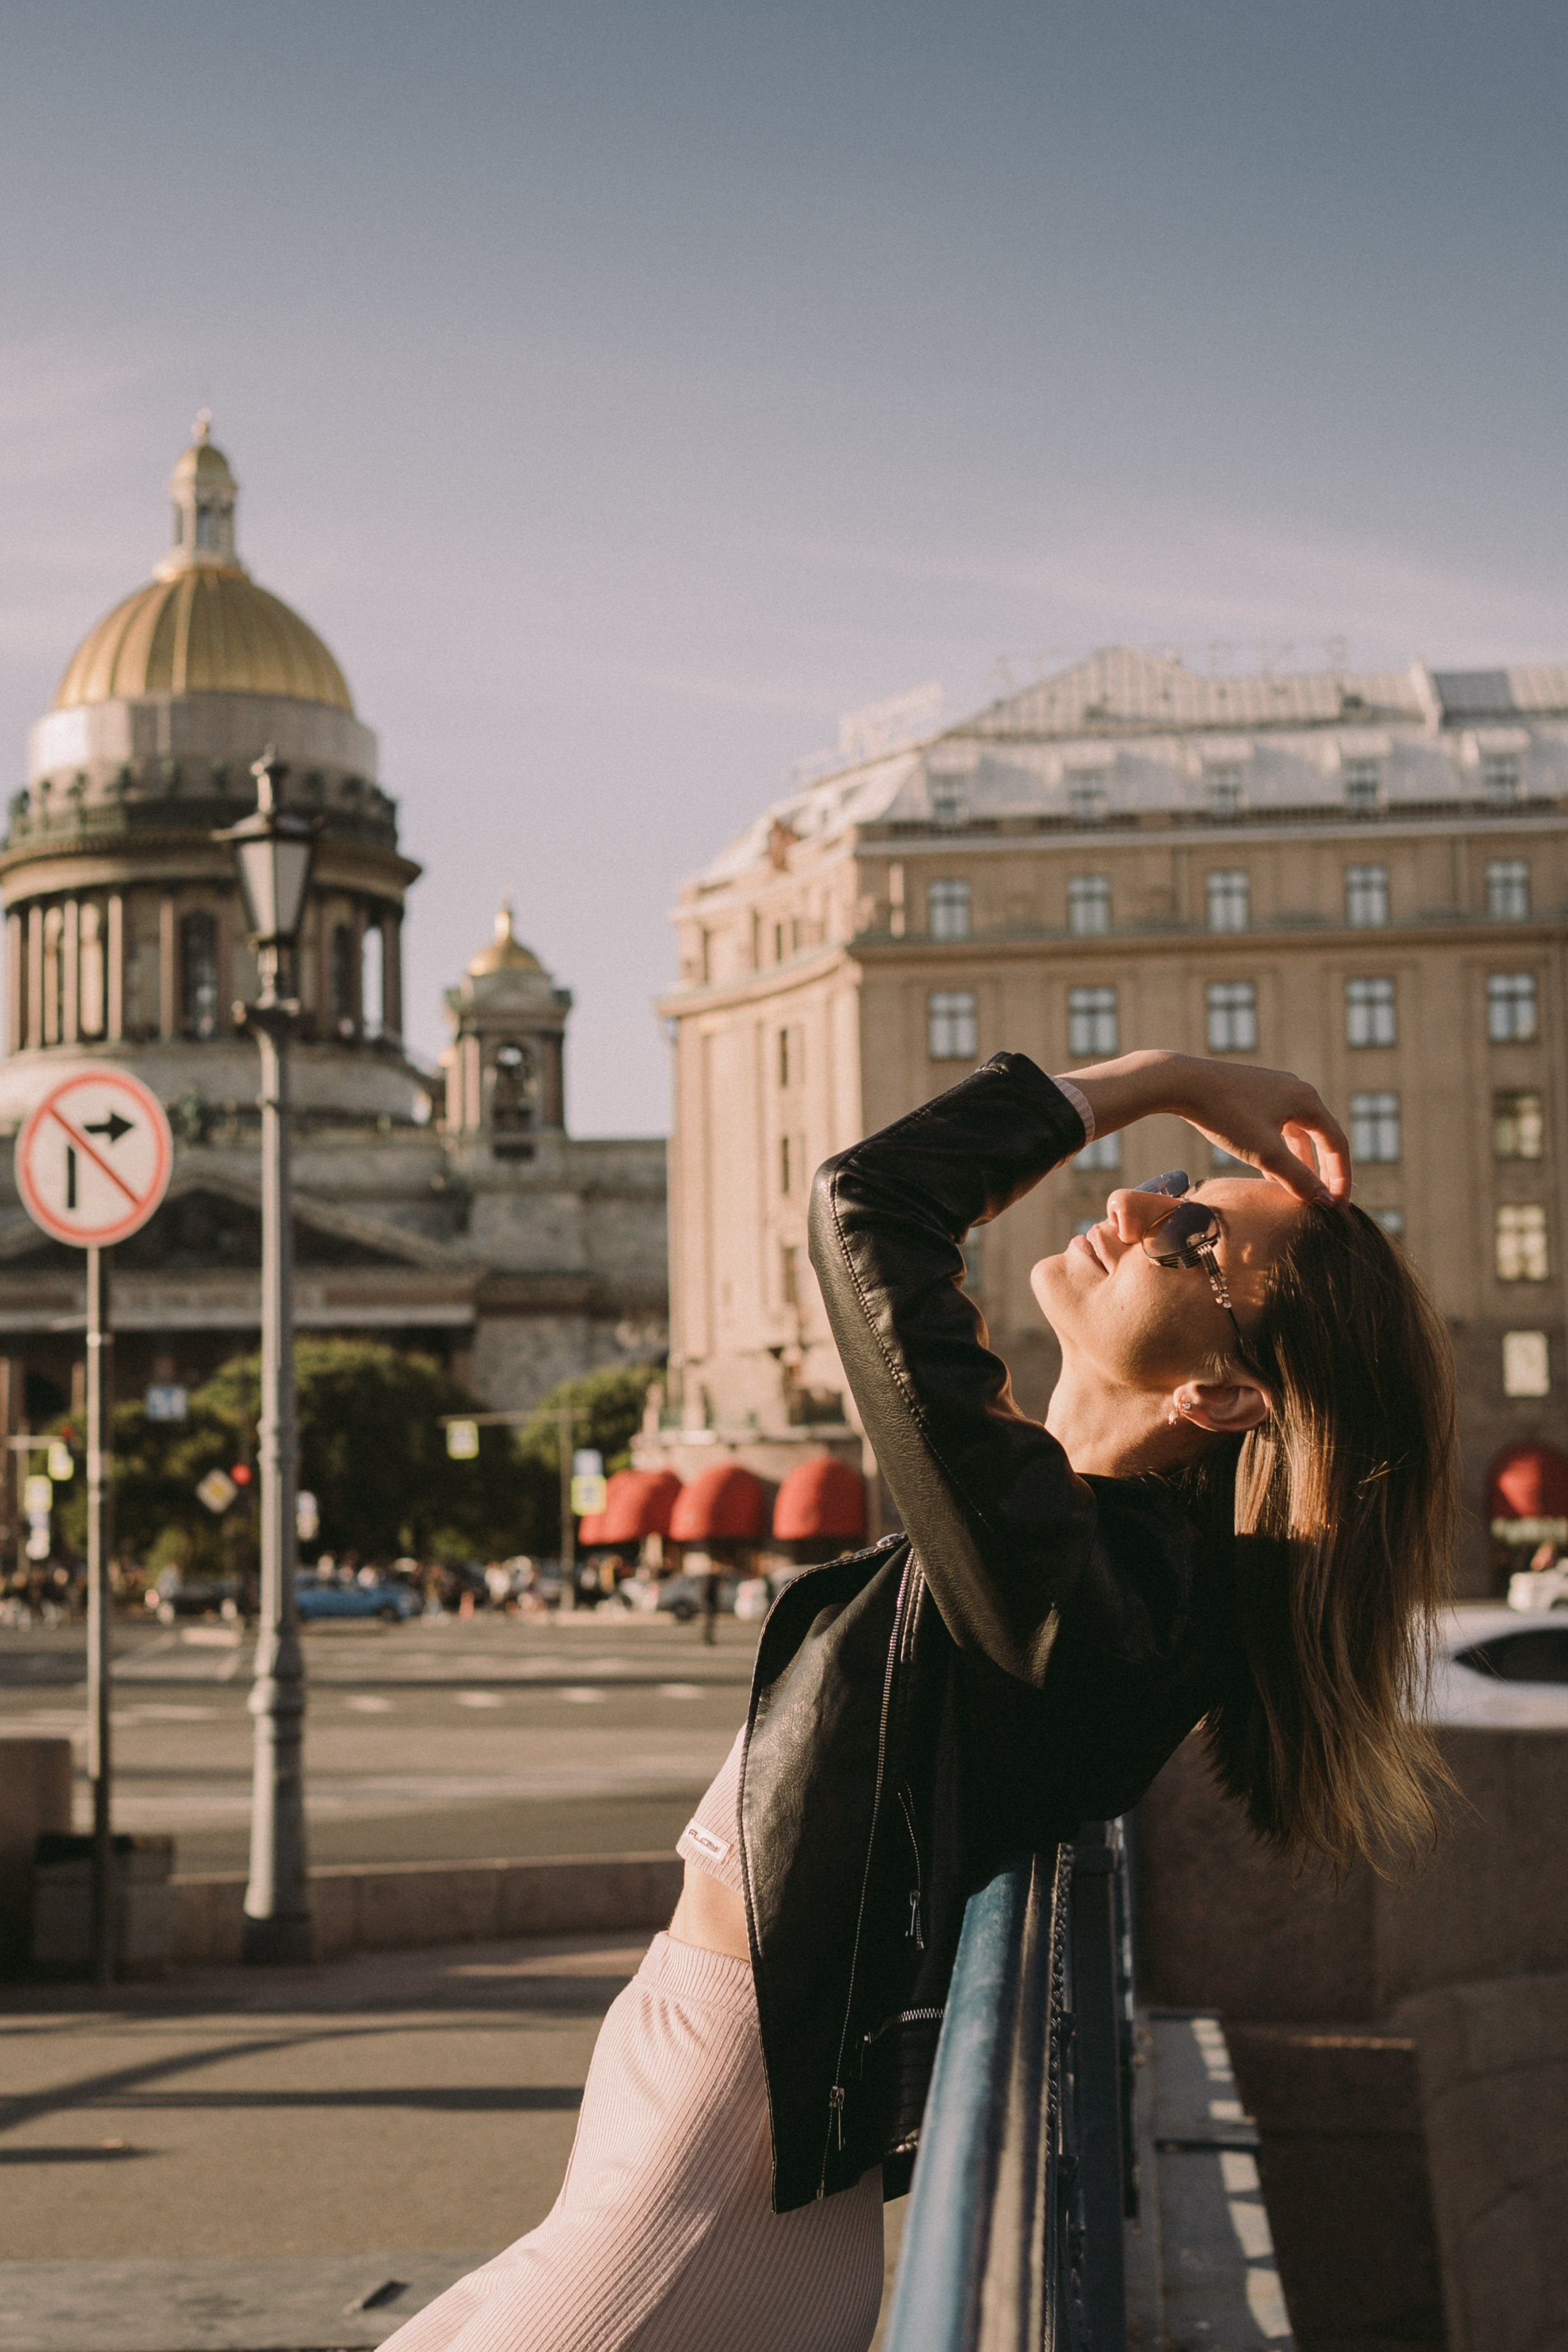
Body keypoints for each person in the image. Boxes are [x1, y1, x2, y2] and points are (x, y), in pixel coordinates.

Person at [382, 1047, 1456, 2352]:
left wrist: (1168, 1076)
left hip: (706, 2168)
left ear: (1219, 1393)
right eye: (1170, 1183)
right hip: (701, 2118)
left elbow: (866, 1209)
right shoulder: (1105, 1559)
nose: (1126, 1207)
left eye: (1186, 1233)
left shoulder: (1073, 1574)